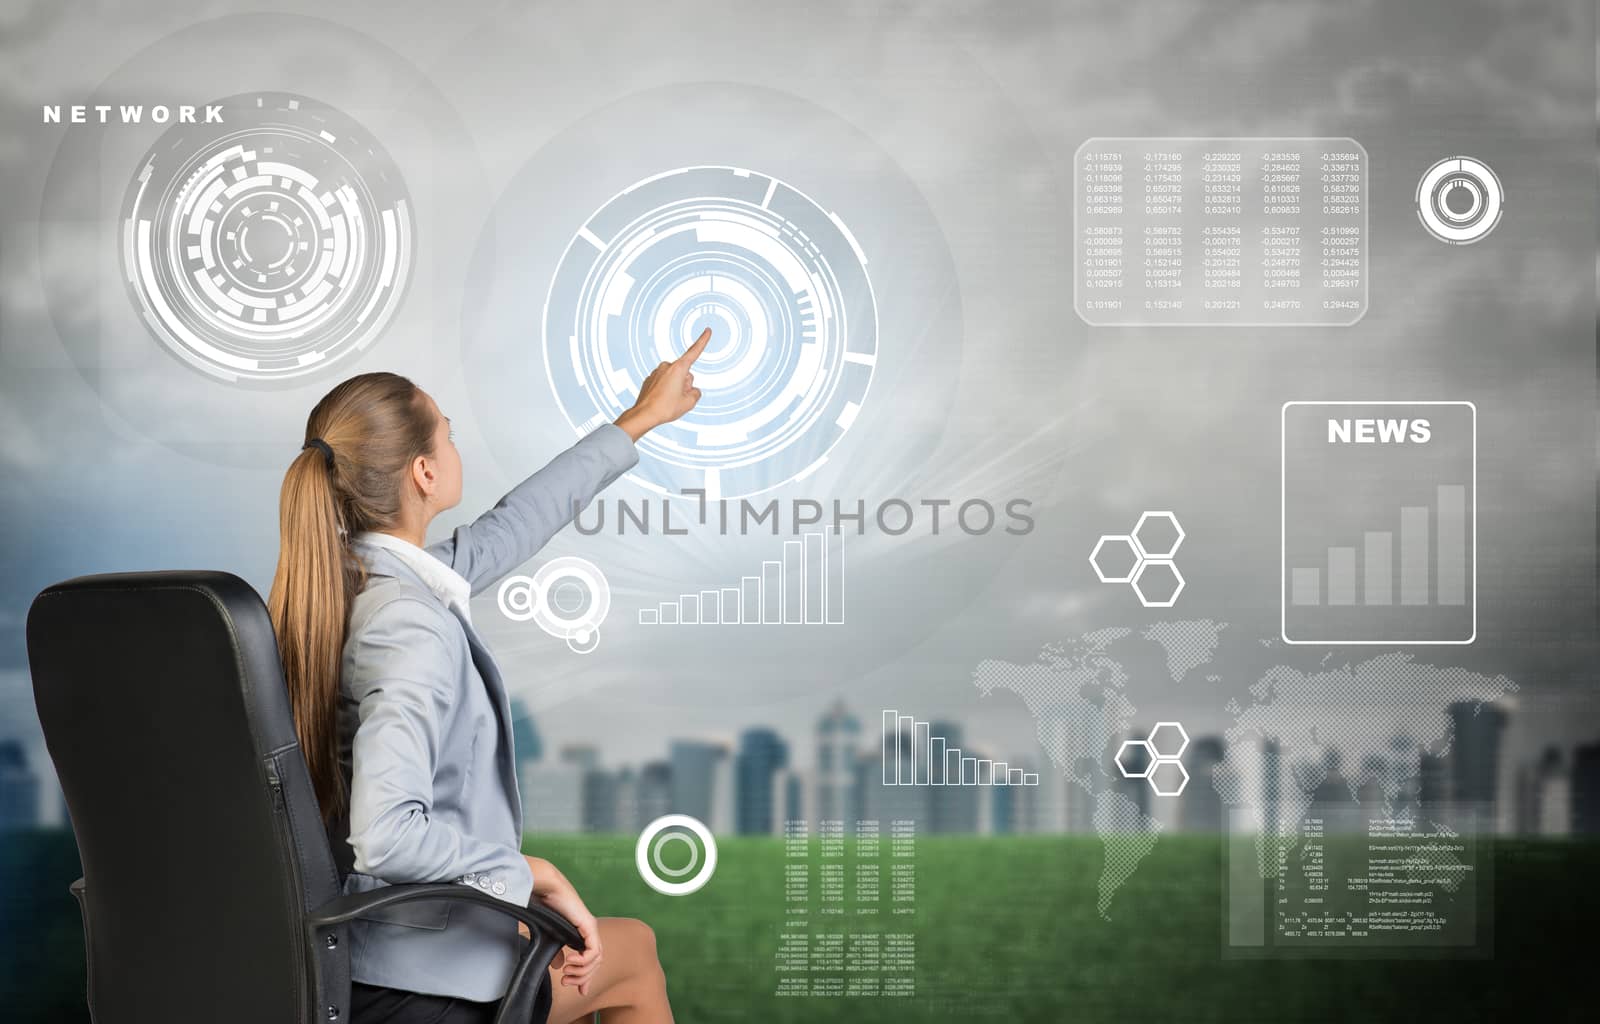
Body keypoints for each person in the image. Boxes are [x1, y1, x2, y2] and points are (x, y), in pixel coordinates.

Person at [267, 329, 712, 1023]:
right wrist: (533, 871)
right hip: (410, 986)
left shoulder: (346, 587)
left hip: (346, 949)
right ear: (424, 473)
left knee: (613, 950)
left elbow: (514, 525)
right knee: (635, 955)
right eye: (447, 432)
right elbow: (384, 833)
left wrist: (640, 419)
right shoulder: (406, 623)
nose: (454, 444)